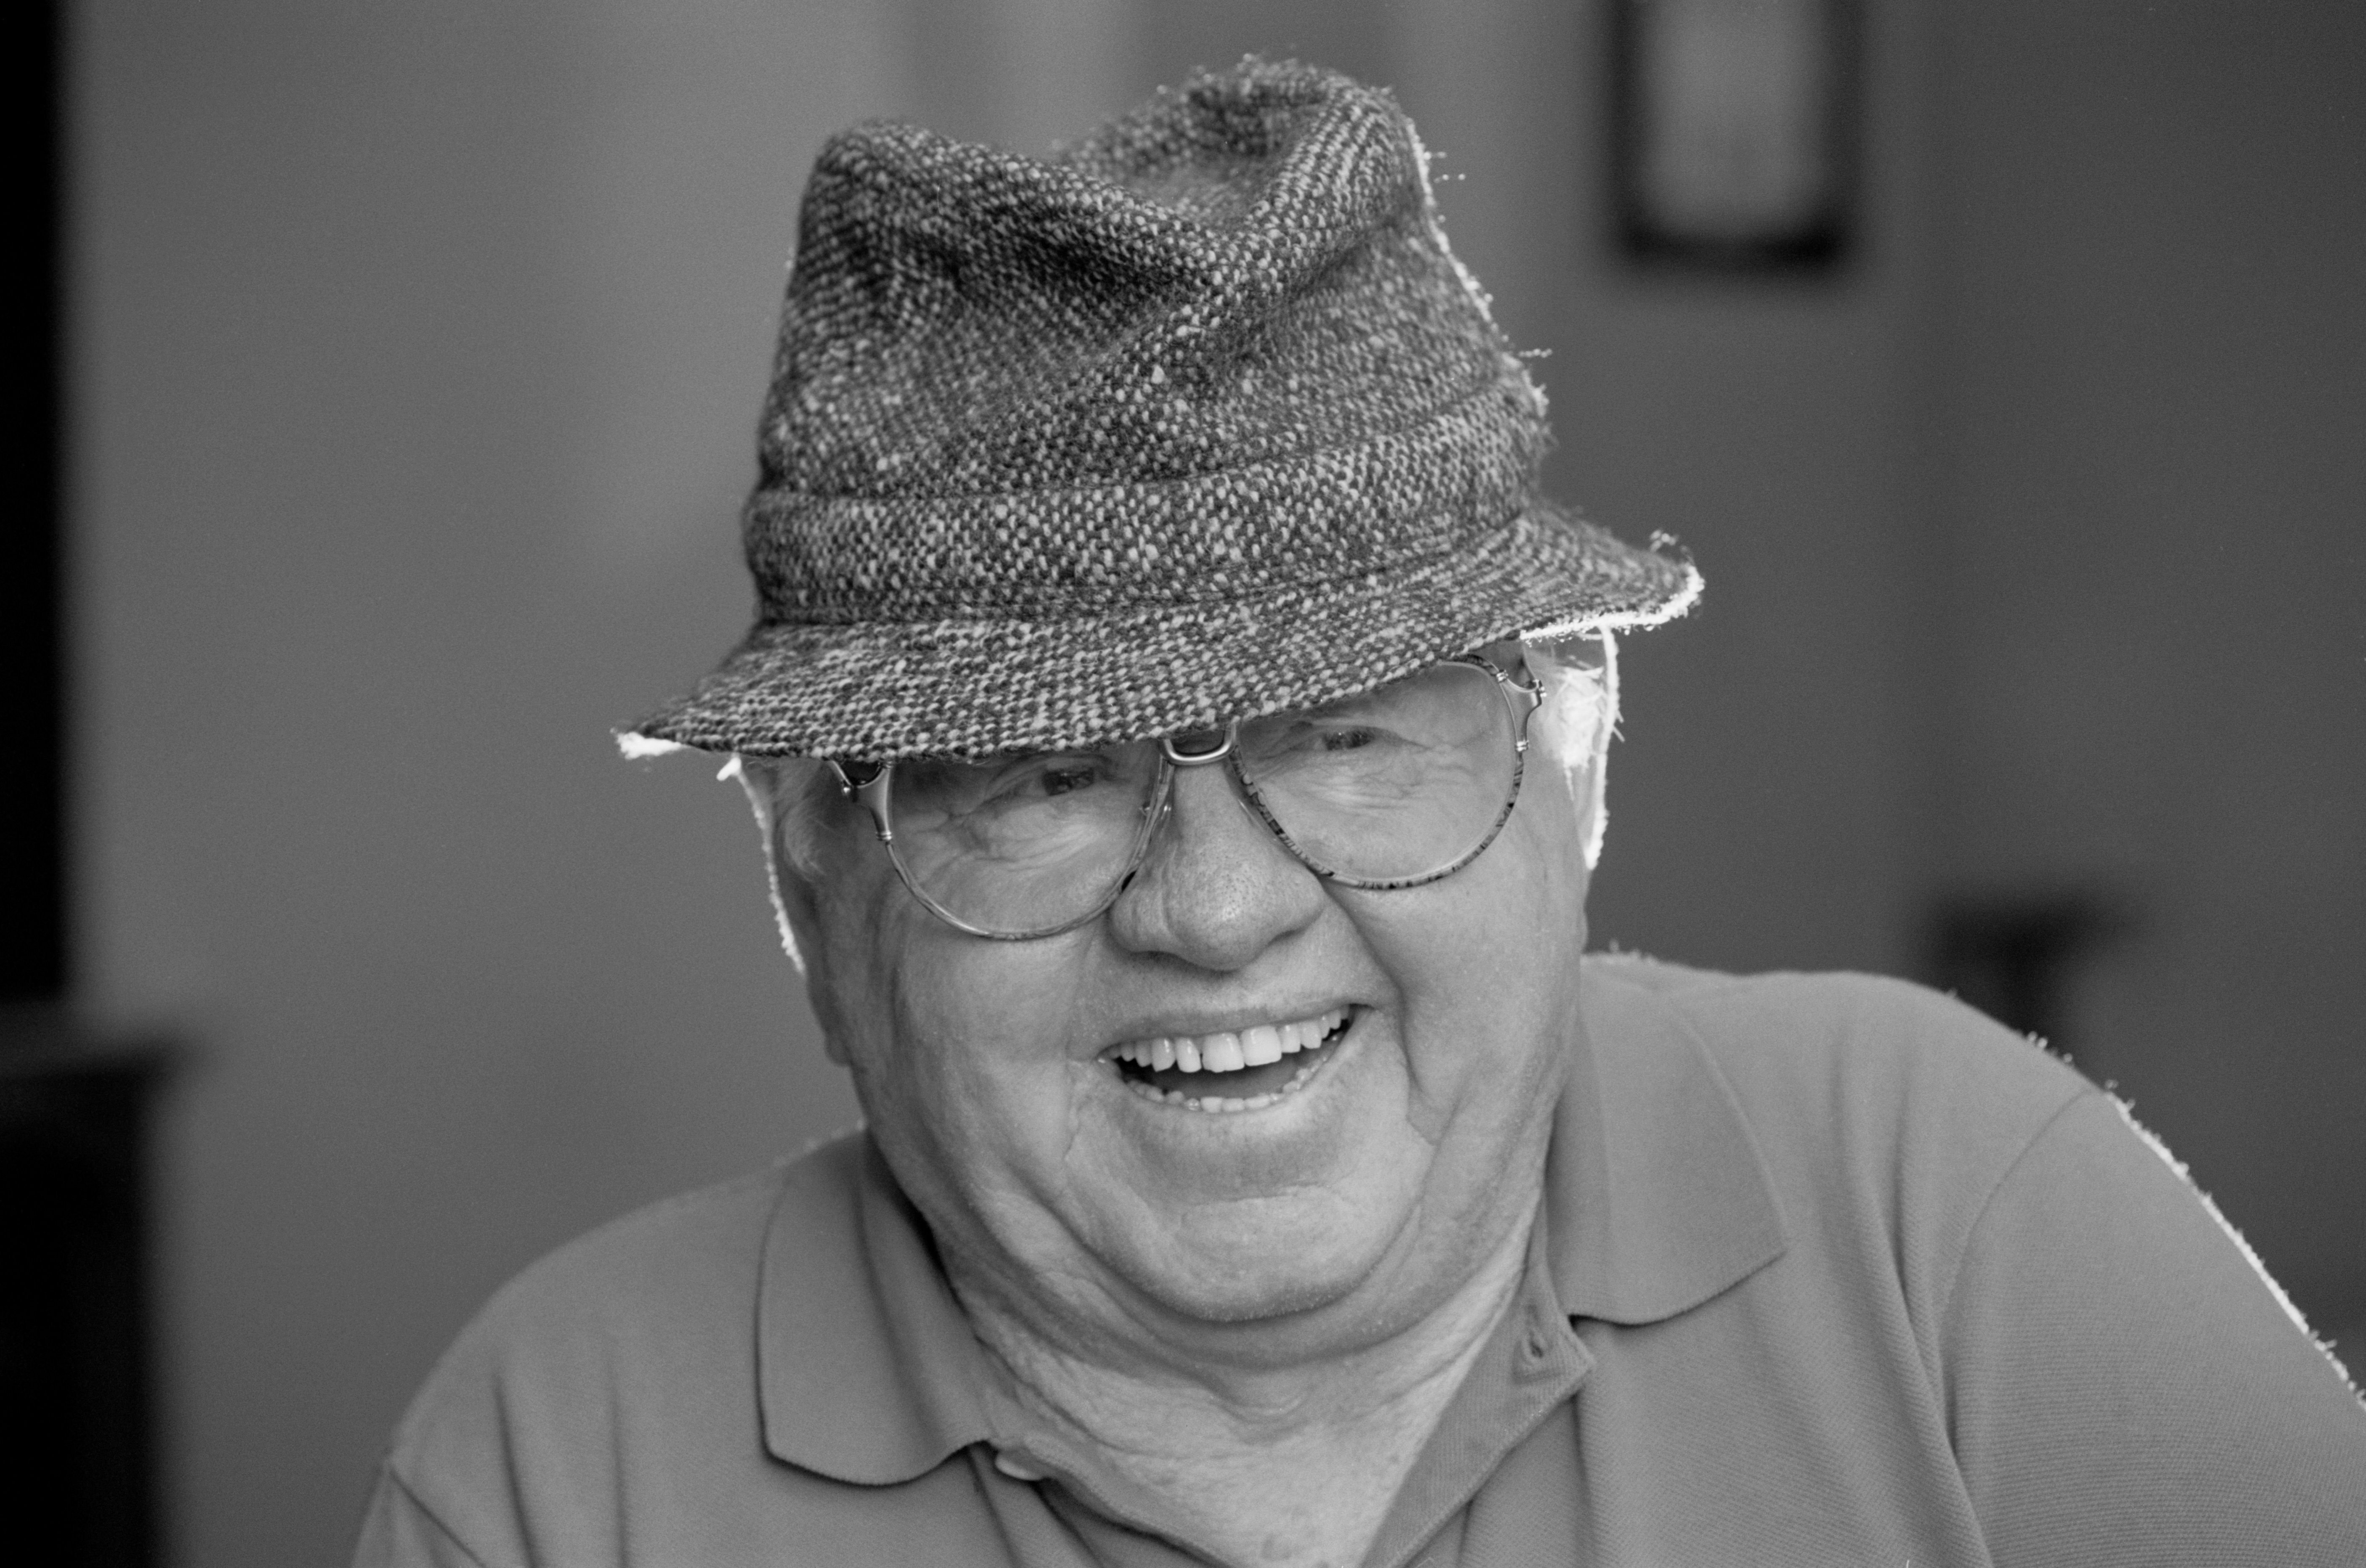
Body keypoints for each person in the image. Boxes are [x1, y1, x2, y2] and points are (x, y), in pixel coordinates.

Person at [354, 59, 2366, 1568]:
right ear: (809, 866)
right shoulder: (562, 1466)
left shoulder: (1955, 1216)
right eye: (1048, 774)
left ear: (1573, 755)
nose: (1218, 910)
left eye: (1343, 738)